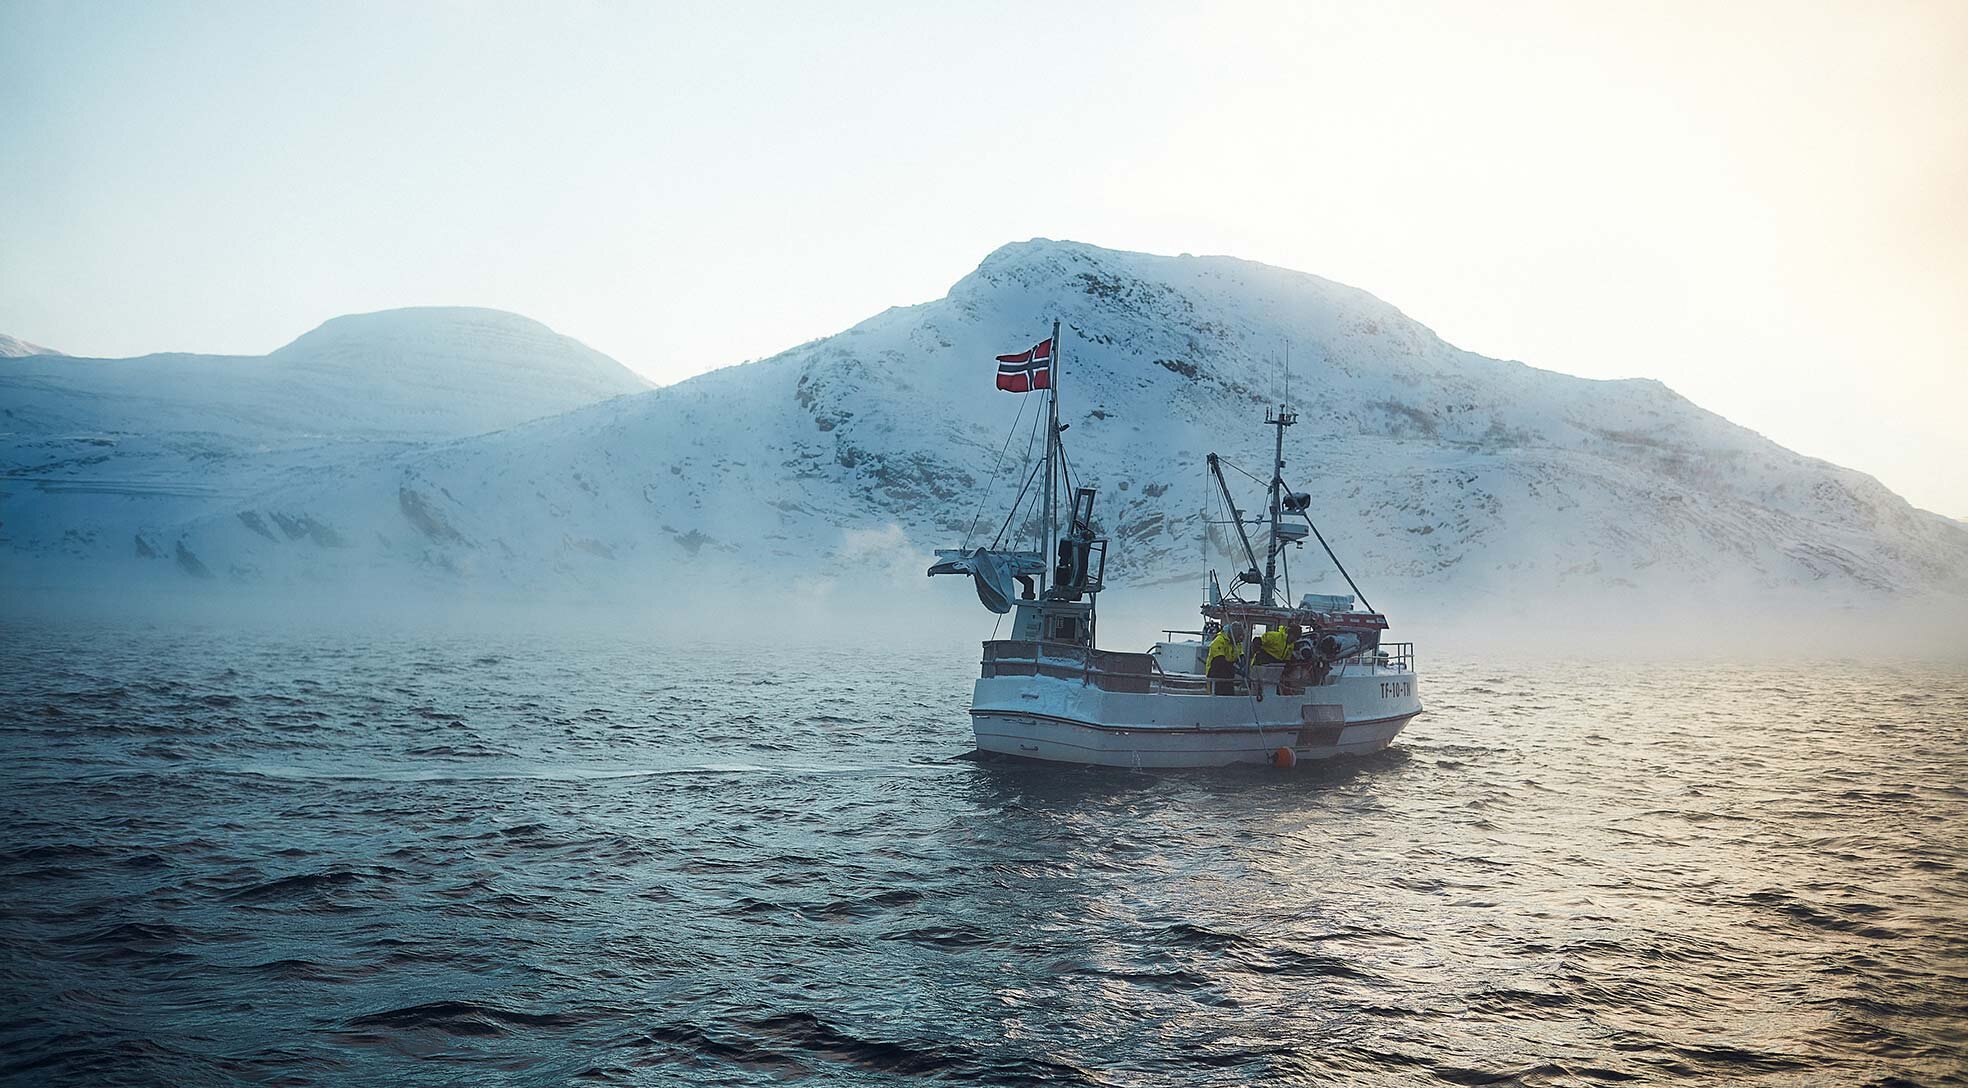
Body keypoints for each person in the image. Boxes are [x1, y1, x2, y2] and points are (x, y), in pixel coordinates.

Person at [1206, 622, 1246, 695]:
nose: (1238, 642)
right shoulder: (1219, 641)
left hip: (1229, 675)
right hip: (1216, 673)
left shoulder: (1237, 643)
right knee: (1217, 695)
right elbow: (1219, 661)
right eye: (1238, 639)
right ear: (1232, 635)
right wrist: (1236, 669)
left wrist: (1242, 662)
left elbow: (1240, 654)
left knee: (1229, 695)